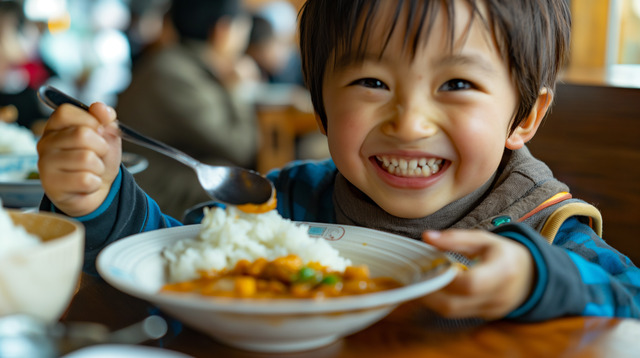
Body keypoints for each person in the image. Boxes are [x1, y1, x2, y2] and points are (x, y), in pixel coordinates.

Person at [37, 0, 640, 322]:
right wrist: (99, 198)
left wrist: (541, 282)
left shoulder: (550, 230)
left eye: (456, 84)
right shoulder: (285, 203)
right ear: (322, 97)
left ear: (525, 117)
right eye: (373, 81)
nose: (408, 122)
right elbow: (168, 266)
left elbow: (629, 304)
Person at [115, 0, 260, 218]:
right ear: (223, 30)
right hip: (148, 188)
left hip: (162, 173)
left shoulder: (180, 64)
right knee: (242, 188)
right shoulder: (176, 75)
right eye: (242, 27)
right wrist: (237, 89)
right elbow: (241, 146)